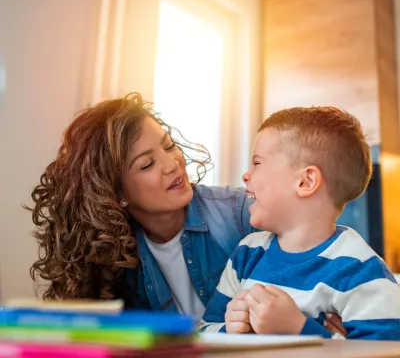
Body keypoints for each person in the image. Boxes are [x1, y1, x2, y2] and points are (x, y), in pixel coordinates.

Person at [27, 93, 344, 334]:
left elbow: (327, 249)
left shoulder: (240, 213)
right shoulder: (116, 255)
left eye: (168, 146)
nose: (172, 164)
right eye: (147, 164)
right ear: (117, 194)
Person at [199, 107, 400, 340]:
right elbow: (203, 331)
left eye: (257, 162)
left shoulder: (358, 269)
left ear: (305, 182)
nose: (246, 175)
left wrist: (298, 328)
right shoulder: (247, 254)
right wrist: (231, 329)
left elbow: (386, 351)